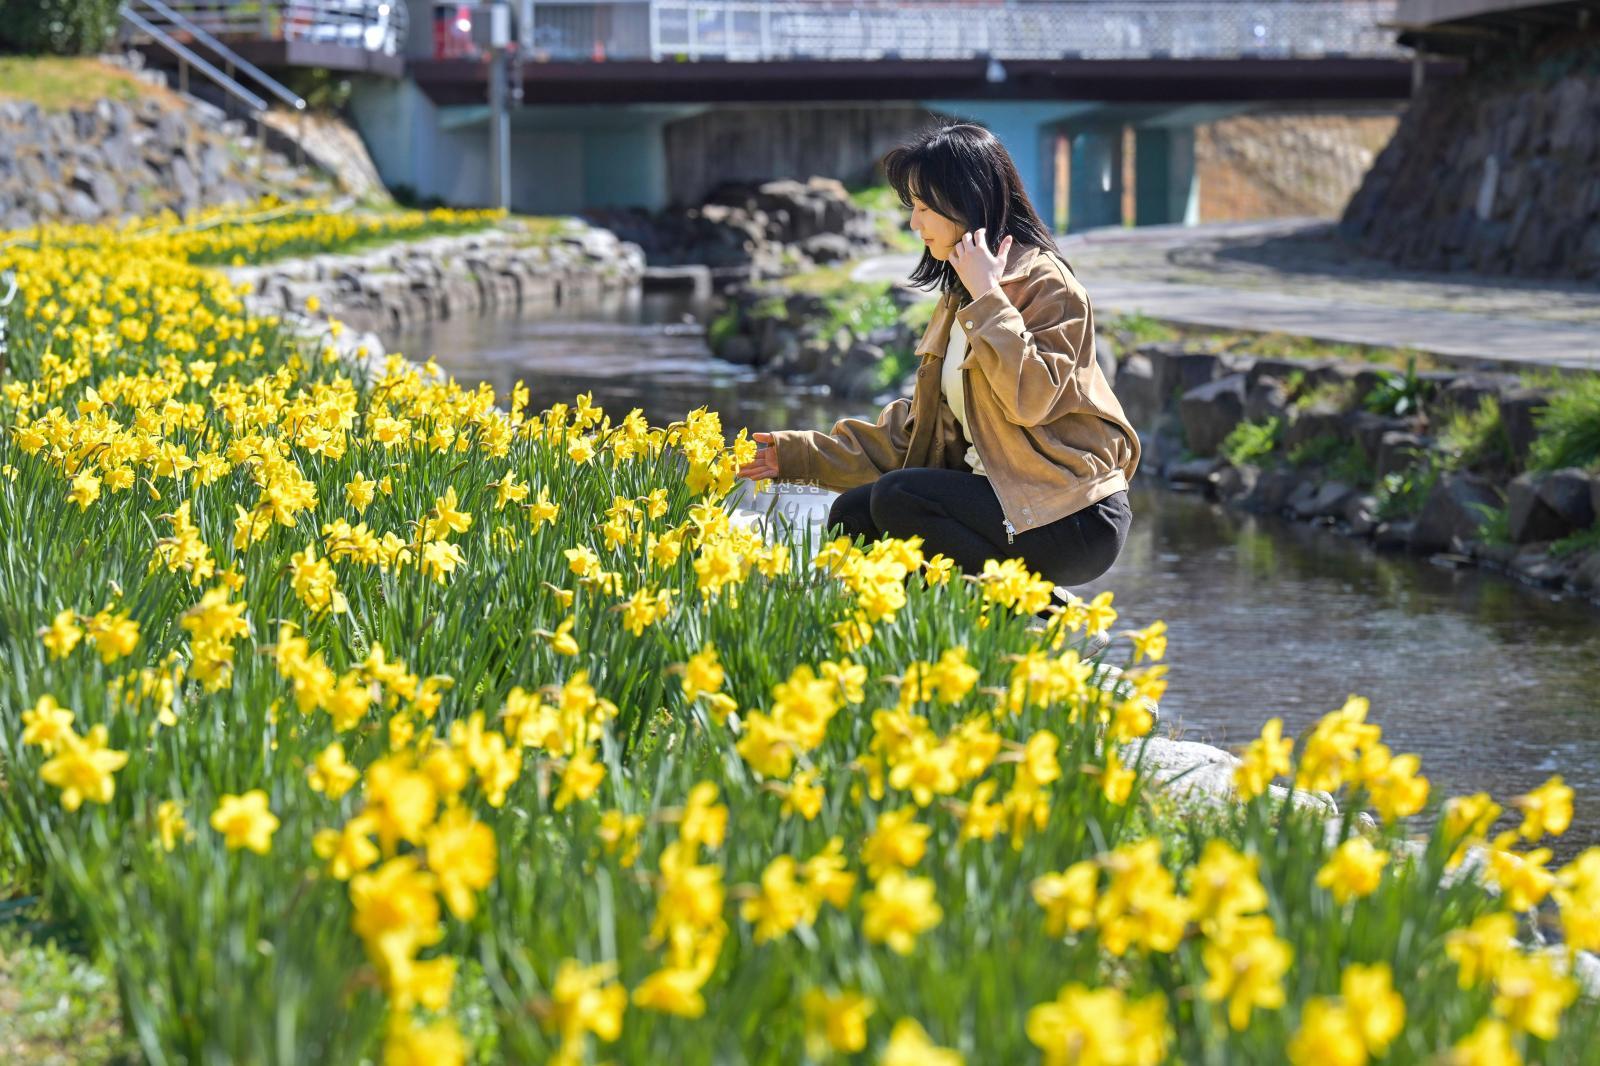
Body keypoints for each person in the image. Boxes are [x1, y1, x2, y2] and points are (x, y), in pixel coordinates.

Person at [735, 122, 1139, 615]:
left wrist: (991, 298)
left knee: (900, 498)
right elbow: (915, 435)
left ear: (963, 203)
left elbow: (1030, 399)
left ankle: (1037, 613)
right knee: (854, 516)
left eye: (923, 208)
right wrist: (792, 456)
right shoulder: (961, 295)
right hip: (1006, 507)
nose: (914, 224)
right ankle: (896, 638)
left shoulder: (1047, 286)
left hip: (1073, 517)